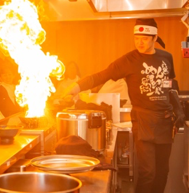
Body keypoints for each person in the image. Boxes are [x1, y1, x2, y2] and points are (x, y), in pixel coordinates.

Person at [62, 18, 186, 193]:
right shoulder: (129, 60)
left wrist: (178, 109)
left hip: (165, 122)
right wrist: (75, 88)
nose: (139, 42)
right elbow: (101, 75)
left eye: (144, 38)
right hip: (143, 122)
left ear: (154, 37)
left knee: (162, 172)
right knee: (147, 173)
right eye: (136, 38)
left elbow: (170, 85)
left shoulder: (166, 57)